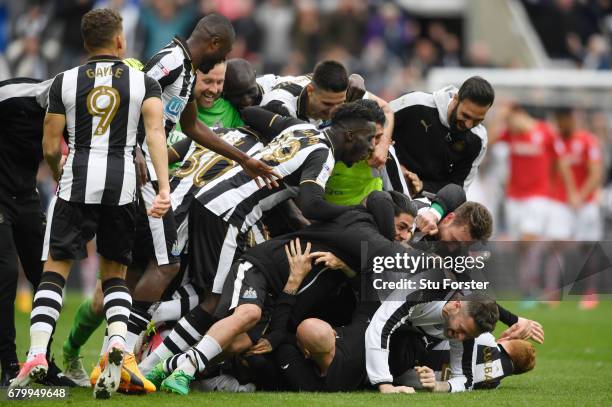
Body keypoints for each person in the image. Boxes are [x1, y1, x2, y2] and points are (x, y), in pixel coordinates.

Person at [9, 9, 170, 400]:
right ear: (120, 41)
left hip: (77, 180)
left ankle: (35, 354)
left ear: (84, 43)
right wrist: (163, 187)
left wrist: (58, 167)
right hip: (123, 186)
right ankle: (116, 343)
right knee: (115, 273)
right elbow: (154, 134)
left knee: (55, 270)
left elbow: (50, 144)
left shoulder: (64, 81)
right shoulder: (143, 82)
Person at [121, 14, 278, 385]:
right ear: (213, 44)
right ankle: (122, 355)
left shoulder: (188, 73)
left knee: (142, 268)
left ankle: (119, 354)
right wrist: (133, 148)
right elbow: (131, 94)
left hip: (146, 177)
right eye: (222, 52)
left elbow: (191, 127)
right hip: (135, 173)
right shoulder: (171, 60)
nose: (220, 60)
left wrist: (243, 158)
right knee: (165, 266)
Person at [0, 77, 77, 387]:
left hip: (26, 194)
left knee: (45, 276)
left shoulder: (73, 106)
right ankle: (8, 364)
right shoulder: (11, 96)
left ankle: (42, 362)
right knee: (5, 274)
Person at [365, 289, 500, 393]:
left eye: (468, 336)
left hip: (395, 333)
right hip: (368, 298)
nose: (460, 338)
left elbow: (466, 381)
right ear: (458, 305)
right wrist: (385, 385)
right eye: (461, 329)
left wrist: (438, 385)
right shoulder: (427, 289)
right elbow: (381, 325)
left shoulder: (465, 332)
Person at [389, 76, 495, 193]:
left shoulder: (478, 140)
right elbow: (377, 125)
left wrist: (422, 186)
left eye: (477, 120)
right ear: (455, 99)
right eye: (466, 115)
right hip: (384, 181)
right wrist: (394, 166)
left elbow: (457, 190)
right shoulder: (415, 103)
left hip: (427, 201)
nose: (469, 124)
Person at [394, 332, 536, 391]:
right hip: (403, 380)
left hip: (403, 350)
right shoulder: (492, 384)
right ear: (515, 372)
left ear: (506, 340)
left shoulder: (486, 338)